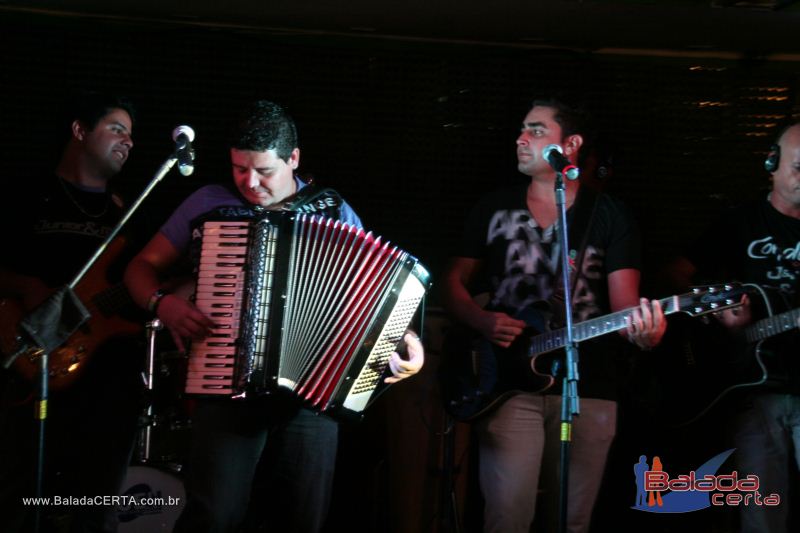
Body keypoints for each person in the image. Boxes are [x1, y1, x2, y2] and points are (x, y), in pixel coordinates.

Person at [123, 99, 425, 533]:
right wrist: (163, 304)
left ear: (294, 159)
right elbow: (139, 268)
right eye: (239, 169)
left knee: (301, 518)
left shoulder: (333, 211)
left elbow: (377, 299)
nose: (249, 183)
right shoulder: (209, 202)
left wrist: (406, 343)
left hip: (310, 393)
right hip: (223, 384)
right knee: (214, 515)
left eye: (263, 171)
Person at [441, 97, 666, 533]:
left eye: (536, 130)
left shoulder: (610, 215)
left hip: (590, 384)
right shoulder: (493, 207)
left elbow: (625, 307)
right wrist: (481, 320)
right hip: (506, 382)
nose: (522, 139)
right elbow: (452, 283)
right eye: (522, 130)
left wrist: (645, 333)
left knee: (572, 521)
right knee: (508, 516)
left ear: (572, 143)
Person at [0, 90, 142, 532]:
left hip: (103, 383)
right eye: (116, 129)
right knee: (18, 495)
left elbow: (140, 286)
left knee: (94, 500)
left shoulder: (127, 212)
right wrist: (27, 286)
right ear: (80, 131)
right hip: (25, 365)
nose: (128, 141)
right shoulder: (25, 195)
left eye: (132, 135)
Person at [668, 122, 800, 533]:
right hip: (749, 390)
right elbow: (675, 274)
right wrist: (715, 312)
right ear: (771, 164)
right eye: (799, 167)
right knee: (762, 512)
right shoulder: (738, 222)